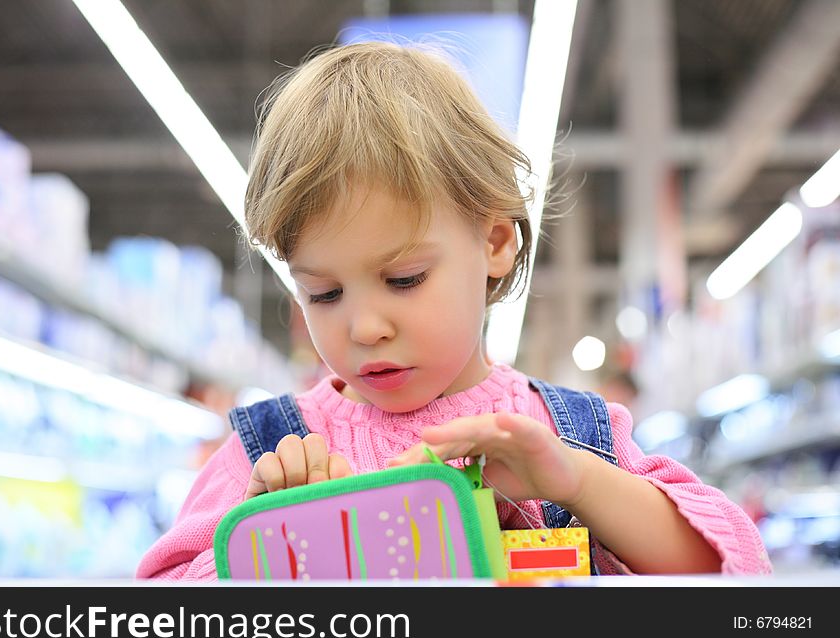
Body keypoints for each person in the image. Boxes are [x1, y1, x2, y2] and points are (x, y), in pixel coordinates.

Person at [137, 42, 770, 579]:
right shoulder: (271, 450)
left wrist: (576, 482)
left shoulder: (571, 431)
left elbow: (731, 569)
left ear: (495, 242)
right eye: (324, 294)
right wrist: (262, 545)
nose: (364, 327)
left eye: (404, 278)